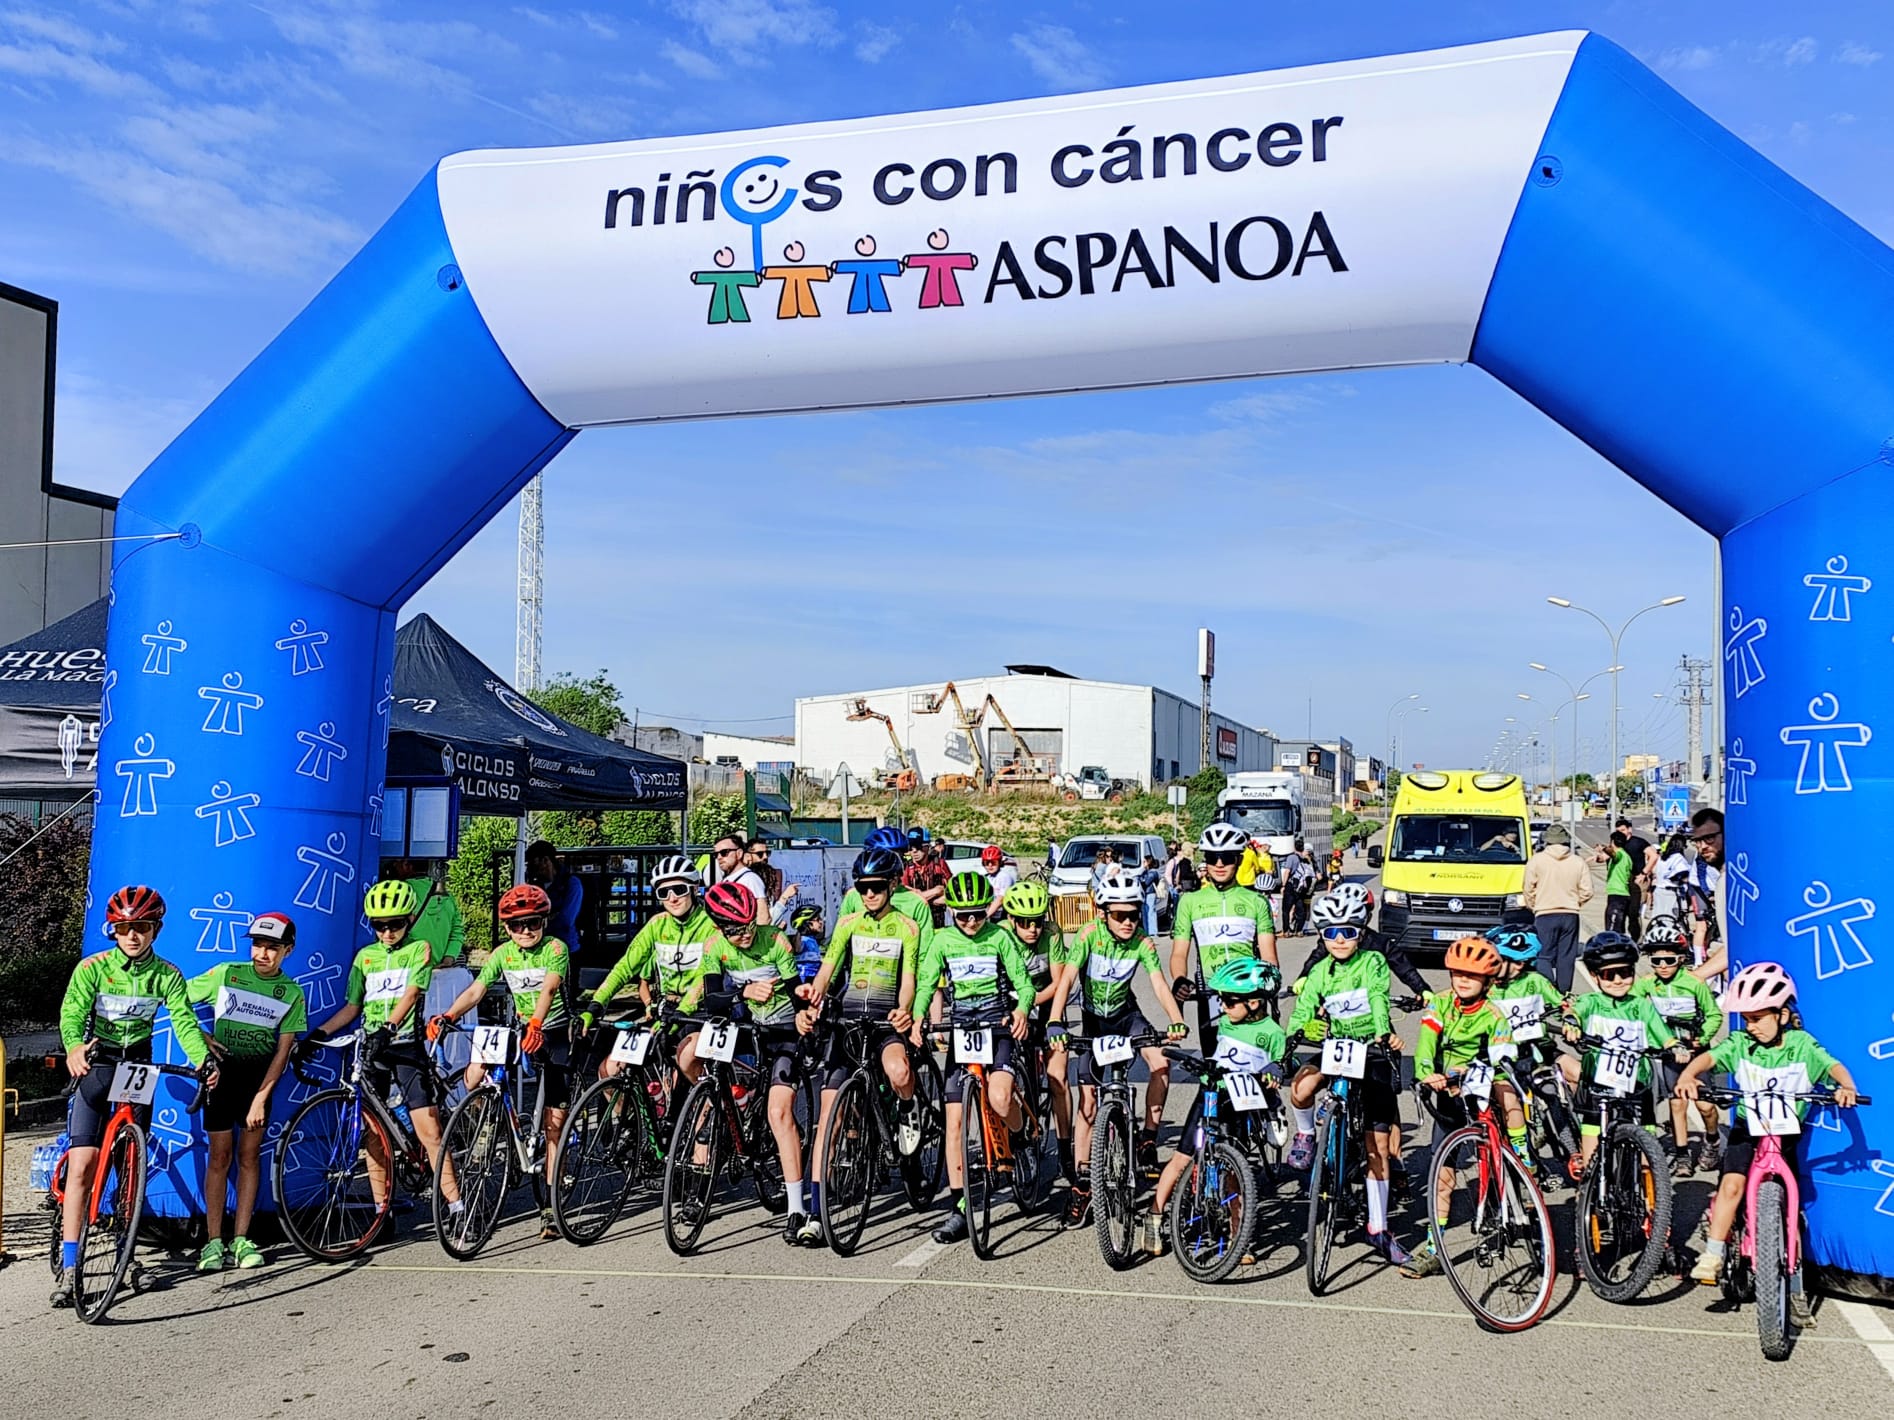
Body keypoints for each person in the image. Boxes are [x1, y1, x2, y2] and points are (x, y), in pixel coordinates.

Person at [52, 886, 216, 1308]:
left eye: (141, 927)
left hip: (137, 1065)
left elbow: (184, 1022)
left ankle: (125, 1252)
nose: (133, 935)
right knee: (83, 1166)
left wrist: (202, 1061)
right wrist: (74, 1046)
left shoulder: (167, 975)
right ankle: (70, 1267)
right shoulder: (93, 968)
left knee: (131, 1165)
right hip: (99, 1061)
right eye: (124, 928)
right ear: (114, 930)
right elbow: (72, 1012)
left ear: (155, 929)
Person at [1677, 961, 1861, 1320]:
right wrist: (1688, 1074)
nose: (1752, 1026)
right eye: (1747, 1019)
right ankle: (1713, 1252)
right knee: (1732, 1185)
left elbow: (1832, 1066)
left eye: (1758, 1018)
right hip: (1749, 1127)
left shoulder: (1802, 1045)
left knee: (1791, 1208)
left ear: (1782, 1014)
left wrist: (1846, 1086)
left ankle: (1794, 1286)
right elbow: (1710, 1058)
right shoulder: (1741, 1044)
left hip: (1784, 1133)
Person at [302, 880, 460, 1229]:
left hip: (404, 1045)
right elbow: (352, 1007)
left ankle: (457, 1206)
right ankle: (380, 1211)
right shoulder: (365, 958)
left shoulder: (418, 949)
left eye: (395, 924)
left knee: (429, 1130)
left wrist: (389, 1027)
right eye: (379, 925)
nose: (387, 932)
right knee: (373, 1134)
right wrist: (319, 1034)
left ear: (409, 920)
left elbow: (412, 993)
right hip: (373, 1047)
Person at [1046, 871, 1190, 1222]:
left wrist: (1176, 1019)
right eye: (1120, 915)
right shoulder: (1088, 935)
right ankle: (1082, 1185)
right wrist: (1055, 1020)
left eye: (1134, 914)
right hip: (1094, 1021)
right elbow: (1066, 979)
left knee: (1160, 1063)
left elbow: (1158, 984)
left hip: (1126, 1015)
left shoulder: (1142, 941)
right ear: (1102, 913)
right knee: (1088, 1102)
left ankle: (1147, 1138)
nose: (1128, 922)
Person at [429, 883, 570, 1239]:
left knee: (554, 1124)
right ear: (507, 928)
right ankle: (491, 1122)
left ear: (543, 922)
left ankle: (551, 1205)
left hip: (553, 1030)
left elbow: (549, 989)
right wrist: (448, 1015)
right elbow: (477, 989)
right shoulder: (503, 953)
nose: (526, 930)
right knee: (474, 1075)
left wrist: (537, 1022)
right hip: (523, 1027)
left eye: (533, 922)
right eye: (517, 925)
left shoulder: (555, 948)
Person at [689, 879, 820, 1244]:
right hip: (747, 1026)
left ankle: (797, 1209)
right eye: (734, 930)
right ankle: (736, 1110)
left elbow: (794, 993)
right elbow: (712, 999)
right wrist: (744, 991)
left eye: (748, 926)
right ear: (719, 927)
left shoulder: (774, 941)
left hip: (783, 1031)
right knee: (709, 1067)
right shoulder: (714, 946)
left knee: (778, 1112)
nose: (744, 935)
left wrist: (804, 1008)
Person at [801, 850, 924, 1232]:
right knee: (829, 1117)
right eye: (862, 887)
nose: (868, 894)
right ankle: (815, 1214)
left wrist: (904, 1010)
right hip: (850, 1019)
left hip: (885, 1018)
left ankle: (908, 1109)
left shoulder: (907, 927)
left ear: (892, 885)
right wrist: (815, 998)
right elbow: (828, 968)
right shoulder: (849, 923)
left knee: (898, 1071)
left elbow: (909, 977)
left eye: (876, 887)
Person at [912, 870, 1036, 1244]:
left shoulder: (999, 936)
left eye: (978, 914)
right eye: (962, 915)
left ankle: (1020, 1135)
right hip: (963, 1031)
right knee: (953, 1124)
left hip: (997, 1027)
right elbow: (925, 983)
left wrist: (1022, 1009)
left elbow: (1023, 984)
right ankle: (959, 1207)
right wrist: (918, 1017)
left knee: (999, 1098)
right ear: (951, 912)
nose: (970, 922)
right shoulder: (942, 940)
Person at [1143, 958, 1286, 1257]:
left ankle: (1238, 1234)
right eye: (1221, 1000)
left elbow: (1285, 1062)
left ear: (1254, 1003)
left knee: (1235, 1171)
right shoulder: (1225, 1022)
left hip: (1241, 1102)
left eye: (1229, 1001)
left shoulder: (1273, 1033)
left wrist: (1278, 1068)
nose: (1222, 1006)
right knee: (1181, 1159)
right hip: (1211, 1093)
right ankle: (1154, 1216)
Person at [187, 910, 306, 1272]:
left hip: (258, 1080)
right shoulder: (227, 973)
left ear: (288, 950)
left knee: (249, 1158)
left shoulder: (292, 992)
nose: (262, 954)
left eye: (272, 947)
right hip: (221, 1077)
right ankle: (213, 1242)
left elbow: (283, 1052)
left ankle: (241, 1239)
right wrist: (201, 1036)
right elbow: (177, 999)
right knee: (219, 1158)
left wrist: (261, 1098)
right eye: (257, 945)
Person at [1284, 909, 1403, 1263]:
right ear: (1322, 936)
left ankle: (1378, 1227)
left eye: (1348, 932)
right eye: (1331, 932)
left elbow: (1378, 998)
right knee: (1301, 1088)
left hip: (1371, 1047)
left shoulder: (1372, 962)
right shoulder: (1320, 971)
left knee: (1377, 1145)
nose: (1339, 939)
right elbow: (1303, 1010)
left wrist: (1383, 1031)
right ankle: (1307, 1135)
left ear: (1360, 934)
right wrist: (1302, 1028)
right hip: (1337, 1048)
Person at [1401, 937, 1522, 1277]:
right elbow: (1426, 1044)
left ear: (1488, 980)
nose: (1463, 980)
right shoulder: (1440, 1004)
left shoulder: (1494, 1013)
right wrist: (1427, 1073)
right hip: (1449, 1090)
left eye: (1472, 975)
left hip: (1484, 1082)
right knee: (1442, 1171)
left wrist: (1476, 1068)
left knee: (1508, 1097)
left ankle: (1522, 1160)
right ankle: (1433, 1247)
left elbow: (1503, 1054)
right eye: (1457, 973)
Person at [1558, 931, 1685, 1173]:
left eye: (1625, 973)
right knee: (1592, 1159)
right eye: (1609, 974)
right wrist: (1571, 1023)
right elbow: (1575, 1011)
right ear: (1594, 976)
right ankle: (1591, 1188)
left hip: (1637, 1083)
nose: (1618, 980)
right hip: (1598, 1085)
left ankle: (1651, 1190)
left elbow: (1664, 1035)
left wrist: (1675, 1046)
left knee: (1648, 1158)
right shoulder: (1592, 1002)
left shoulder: (1641, 1005)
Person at [1169, 822, 1278, 1055]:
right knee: (1213, 1062)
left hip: (1250, 993)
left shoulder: (1257, 901)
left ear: (1238, 860)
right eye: (1212, 857)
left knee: (1255, 1062)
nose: (1219, 864)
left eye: (1226, 857)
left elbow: (1269, 954)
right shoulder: (1190, 901)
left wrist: (1269, 980)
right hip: (1211, 991)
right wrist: (1179, 979)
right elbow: (1179, 953)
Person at [1633, 920, 1723, 1176]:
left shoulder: (1694, 983)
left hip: (1696, 1051)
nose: (1663, 966)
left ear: (1681, 958)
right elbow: (1632, 1006)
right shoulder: (1647, 984)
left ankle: (1712, 1139)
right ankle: (1682, 1154)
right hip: (1669, 1052)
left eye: (1669, 960)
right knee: (1677, 1104)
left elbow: (1714, 1015)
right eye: (1656, 961)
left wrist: (1701, 1038)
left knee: (1705, 1106)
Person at [1000, 878, 1074, 1179]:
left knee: (1058, 1078)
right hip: (1010, 1005)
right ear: (1010, 919)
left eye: (1038, 921)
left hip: (1045, 1003)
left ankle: (1066, 1151)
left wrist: (1029, 1004)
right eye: (1024, 922)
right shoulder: (1000, 934)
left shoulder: (1052, 933)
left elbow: (1059, 982)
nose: (1032, 929)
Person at [1521, 822, 1592, 991]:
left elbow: (1528, 888)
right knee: (1566, 956)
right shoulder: (1578, 861)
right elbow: (1587, 891)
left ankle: (1549, 989)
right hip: (1570, 914)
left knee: (1543, 955)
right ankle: (1564, 992)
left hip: (1544, 913)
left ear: (1547, 840)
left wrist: (1534, 905)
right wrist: (1576, 902)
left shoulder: (1537, 860)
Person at [526, 840, 585, 1011]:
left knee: (565, 999)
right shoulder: (533, 887)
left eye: (534, 864)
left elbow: (566, 919)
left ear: (546, 860)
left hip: (566, 948)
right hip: (539, 950)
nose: (532, 870)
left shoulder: (571, 883)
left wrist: (540, 921)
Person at [839, 829, 934, 932]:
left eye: (900, 857)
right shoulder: (853, 897)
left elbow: (924, 942)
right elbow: (840, 935)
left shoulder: (917, 902)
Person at [389, 857, 466, 966]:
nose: (394, 866)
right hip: (439, 969)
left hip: (408, 967)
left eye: (397, 863)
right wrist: (449, 958)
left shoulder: (398, 893)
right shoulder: (447, 896)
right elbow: (457, 932)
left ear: (406, 865)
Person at [1684, 809, 1727, 981]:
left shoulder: (1736, 879)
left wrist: (1695, 978)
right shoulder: (1722, 876)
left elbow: (1737, 945)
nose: (1703, 846)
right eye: (1697, 841)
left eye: (1709, 838)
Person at [710, 833, 770, 924]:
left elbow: (764, 917)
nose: (719, 857)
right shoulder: (727, 880)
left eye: (724, 852)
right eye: (716, 854)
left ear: (739, 853)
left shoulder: (750, 879)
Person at [1614, 816, 1654, 941]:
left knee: (1634, 913)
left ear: (1629, 829)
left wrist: (1644, 873)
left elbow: (1654, 856)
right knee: (1621, 912)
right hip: (1623, 882)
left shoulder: (1639, 842)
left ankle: (1637, 939)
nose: (1621, 833)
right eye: (1618, 831)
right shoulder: (1617, 843)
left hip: (1638, 881)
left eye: (1623, 830)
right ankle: (1621, 938)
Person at [901, 827, 951, 926]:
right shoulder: (906, 867)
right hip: (914, 920)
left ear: (927, 847)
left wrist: (922, 898)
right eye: (911, 847)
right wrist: (935, 892)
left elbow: (952, 894)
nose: (914, 851)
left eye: (918, 846)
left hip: (937, 920)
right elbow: (904, 899)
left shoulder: (939, 864)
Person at [1596, 830, 1636, 936]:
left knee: (1613, 928)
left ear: (1613, 842)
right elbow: (1602, 858)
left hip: (1618, 894)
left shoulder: (1620, 855)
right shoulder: (1626, 856)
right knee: (1619, 927)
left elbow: (1613, 854)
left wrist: (1603, 848)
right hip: (1619, 894)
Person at [1282, 839, 1319, 935]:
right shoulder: (1305, 859)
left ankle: (1286, 931)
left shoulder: (1291, 857)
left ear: (1294, 847)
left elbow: (1287, 871)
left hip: (1291, 885)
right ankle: (1299, 930)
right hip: (1302, 887)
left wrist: (1283, 885)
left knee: (1286, 909)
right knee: (1300, 908)